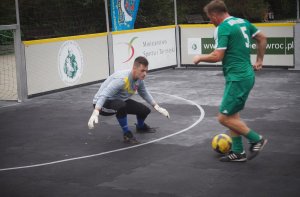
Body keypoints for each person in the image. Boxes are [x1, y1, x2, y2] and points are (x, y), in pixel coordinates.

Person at [193, 0, 267, 162]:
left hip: (238, 78)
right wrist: (260, 60)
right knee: (232, 116)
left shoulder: (223, 27)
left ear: (214, 15)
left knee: (223, 118)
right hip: (243, 75)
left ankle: (256, 139)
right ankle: (238, 152)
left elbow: (217, 56)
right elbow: (262, 38)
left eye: (209, 18)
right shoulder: (242, 22)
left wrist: (200, 57)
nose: (210, 21)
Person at [88, 56, 170, 144]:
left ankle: (140, 127)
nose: (145, 74)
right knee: (121, 106)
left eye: (146, 71)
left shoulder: (139, 79)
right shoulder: (122, 79)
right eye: (142, 70)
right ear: (134, 68)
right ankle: (127, 134)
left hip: (120, 101)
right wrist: (96, 111)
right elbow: (104, 94)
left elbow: (144, 93)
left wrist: (157, 107)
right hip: (103, 104)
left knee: (144, 110)